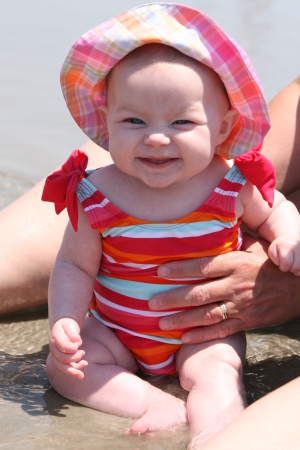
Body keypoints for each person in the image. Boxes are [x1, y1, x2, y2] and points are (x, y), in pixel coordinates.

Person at [41, 3, 300, 440]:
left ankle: (214, 433)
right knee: (66, 370)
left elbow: (276, 209)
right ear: (106, 122)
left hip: (202, 332)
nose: (156, 136)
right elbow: (73, 265)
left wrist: (289, 235)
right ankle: (154, 404)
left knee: (218, 371)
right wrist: (65, 319)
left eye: (182, 121)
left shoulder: (231, 184)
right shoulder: (95, 193)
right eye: (134, 120)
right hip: (116, 331)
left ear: (223, 128)